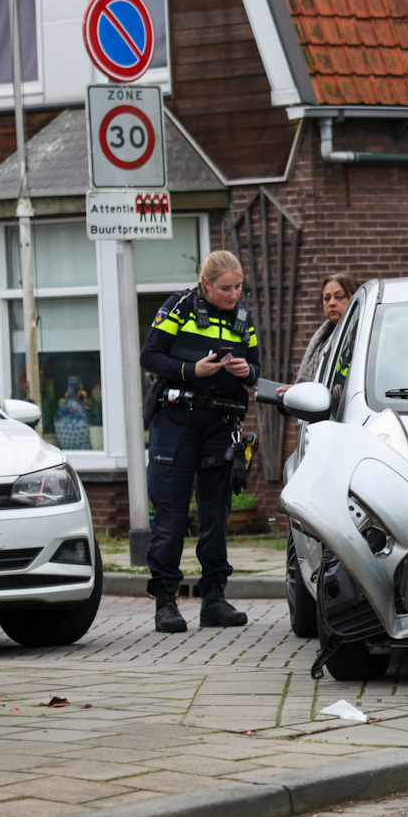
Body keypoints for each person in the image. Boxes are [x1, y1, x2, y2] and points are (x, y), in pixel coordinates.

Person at [139, 250, 260, 633]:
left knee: (216, 511)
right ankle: (166, 602)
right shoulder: (179, 307)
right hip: (177, 420)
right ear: (206, 284)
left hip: (220, 422)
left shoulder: (243, 318)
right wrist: (190, 370)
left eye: (239, 287)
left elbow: (257, 367)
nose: (234, 294)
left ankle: (214, 600)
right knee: (172, 512)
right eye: (225, 288)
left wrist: (247, 371)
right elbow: (150, 355)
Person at [289, 272, 361, 387]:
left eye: (339, 297)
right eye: (327, 298)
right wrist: (299, 390)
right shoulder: (324, 335)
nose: (331, 303)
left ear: (354, 300)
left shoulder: (361, 335)